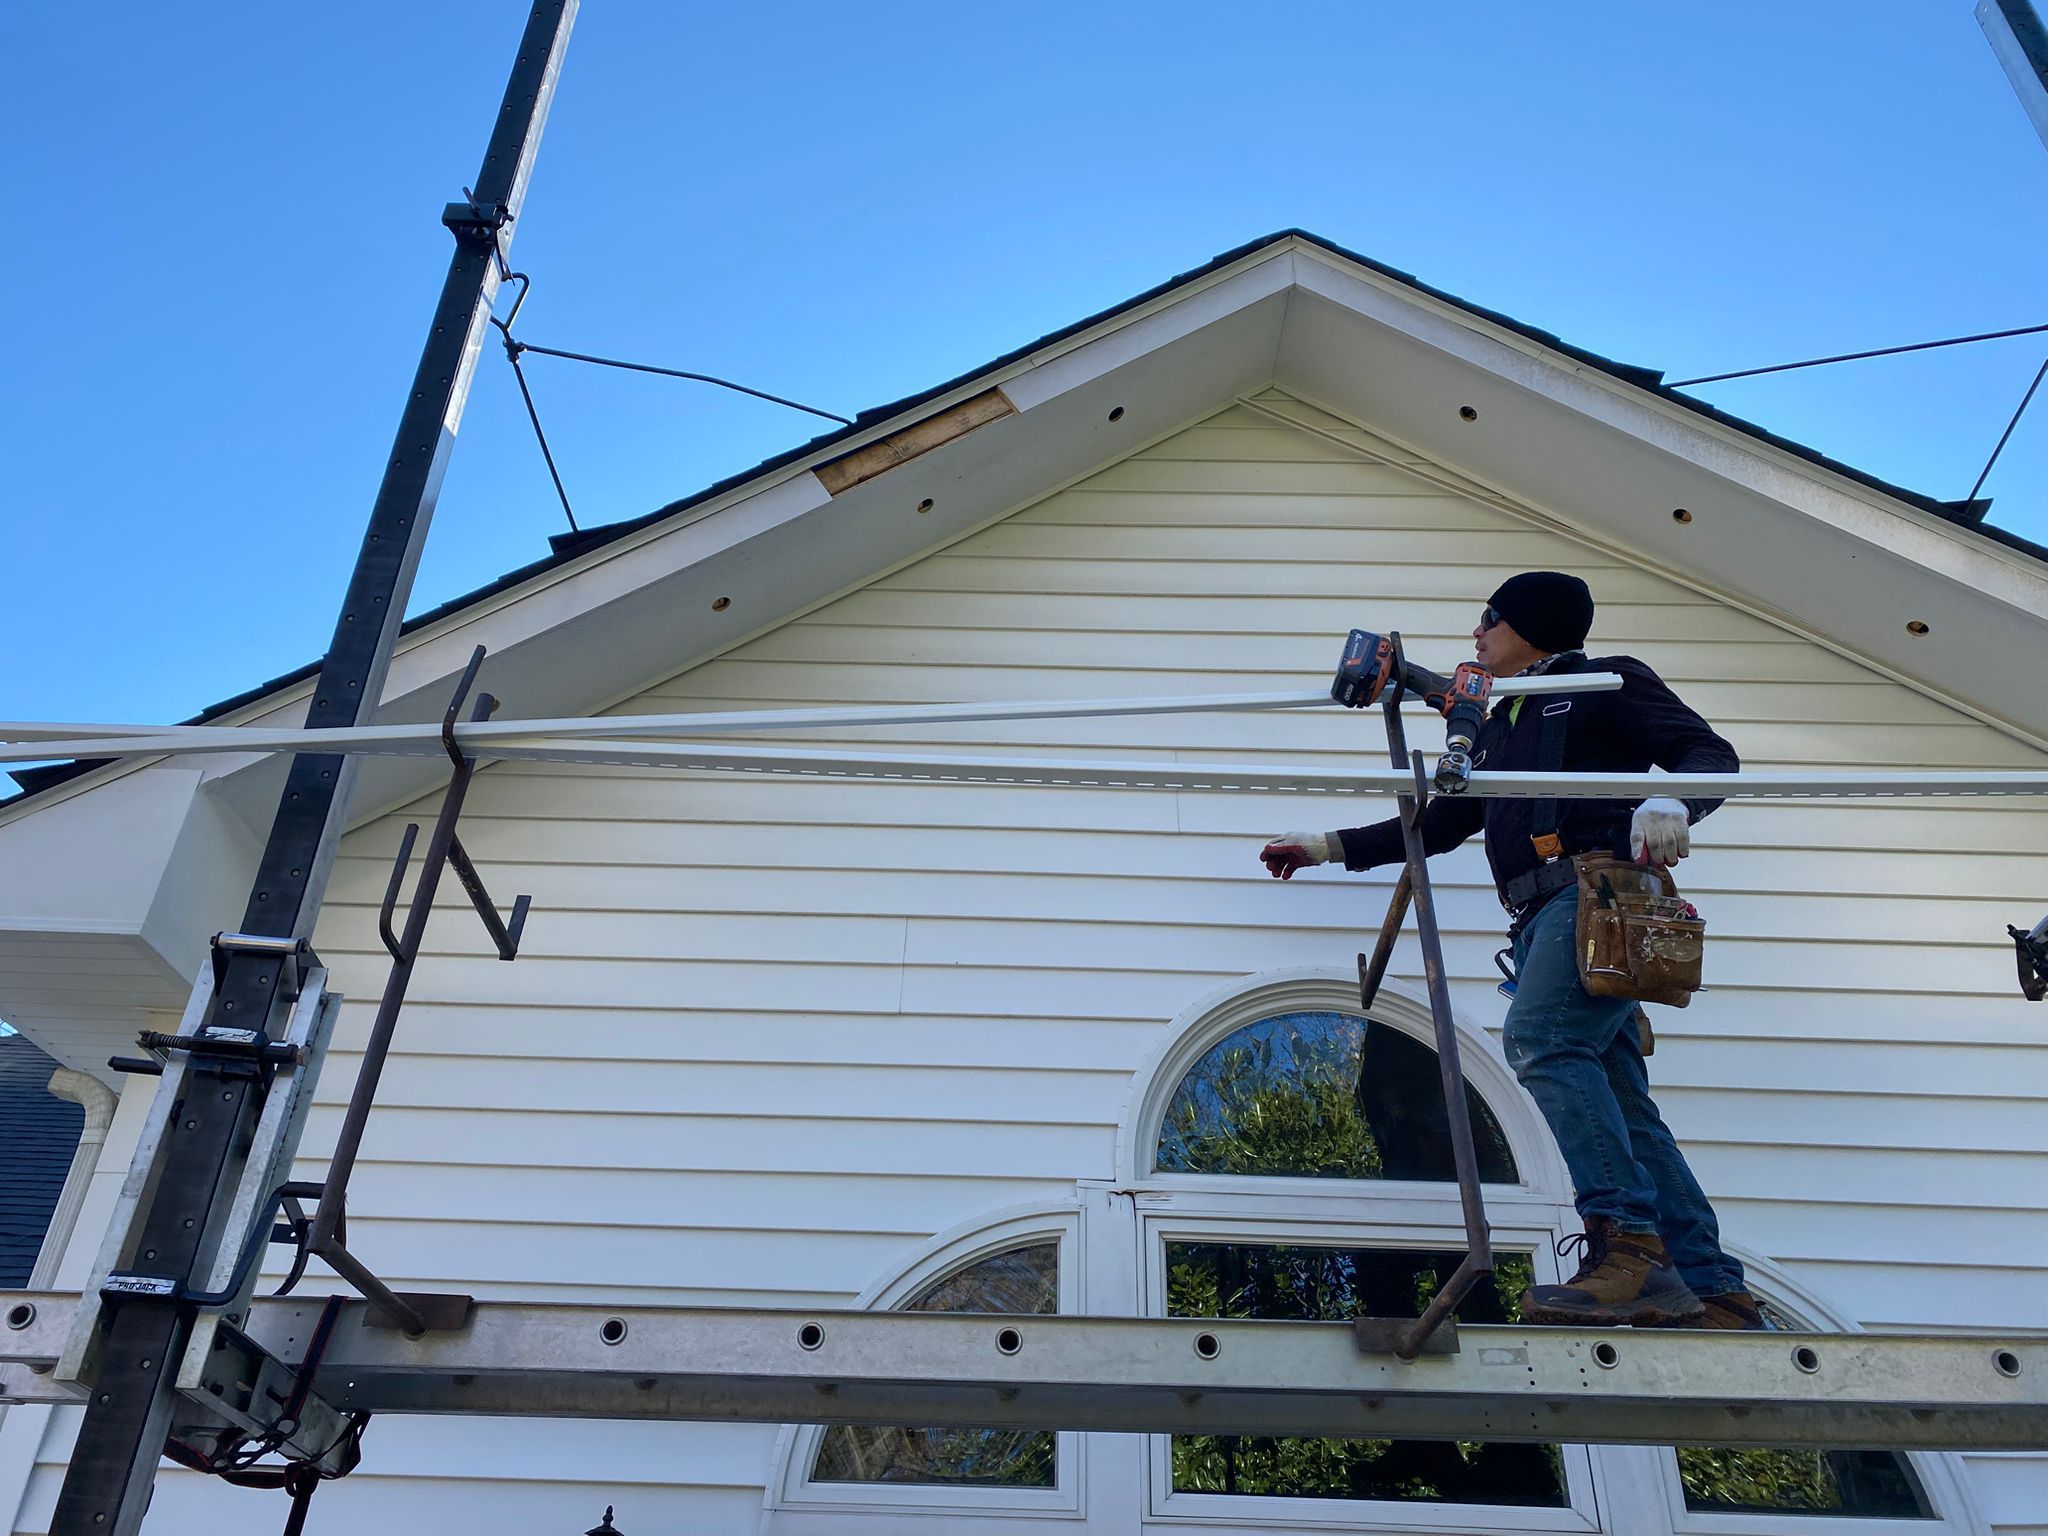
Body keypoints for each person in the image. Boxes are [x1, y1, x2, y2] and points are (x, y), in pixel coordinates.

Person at [1259, 571, 1762, 1329]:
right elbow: (1444, 824)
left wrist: (1673, 801)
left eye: (1489, 618)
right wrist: (1329, 845)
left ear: (1534, 622)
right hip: (1544, 916)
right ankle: (1711, 1287)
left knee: (1542, 1039)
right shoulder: (1500, 723)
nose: (1476, 632)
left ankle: (1628, 1248)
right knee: (1624, 1102)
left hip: (1591, 895)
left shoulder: (1605, 683)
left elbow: (1708, 754)